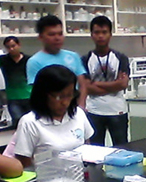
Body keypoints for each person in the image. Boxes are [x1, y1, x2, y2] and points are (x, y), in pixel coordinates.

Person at [11, 66, 94, 167]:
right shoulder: (29, 122)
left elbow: (87, 148)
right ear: (43, 95)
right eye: (59, 97)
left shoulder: (78, 114)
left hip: (77, 176)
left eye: (69, 95)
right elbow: (24, 164)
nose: (65, 102)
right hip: (46, 179)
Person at [82, 16, 130, 146]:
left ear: (110, 34)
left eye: (104, 32)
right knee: (95, 151)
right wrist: (114, 85)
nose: (100, 36)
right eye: (97, 32)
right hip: (94, 111)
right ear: (91, 35)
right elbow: (86, 87)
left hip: (117, 111)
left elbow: (123, 84)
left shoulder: (121, 58)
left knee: (122, 149)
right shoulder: (85, 59)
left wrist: (95, 84)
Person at [26, 15, 88, 108]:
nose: (57, 38)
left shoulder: (73, 56)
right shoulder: (34, 62)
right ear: (41, 37)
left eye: (60, 34)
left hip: (74, 105)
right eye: (51, 34)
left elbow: (82, 84)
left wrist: (81, 106)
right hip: (51, 109)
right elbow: (38, 93)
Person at [0, 36, 32, 127]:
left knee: (33, 123)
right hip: (13, 98)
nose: (11, 49)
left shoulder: (29, 60)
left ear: (19, 45)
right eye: (8, 47)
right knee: (18, 124)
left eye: (13, 46)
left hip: (30, 96)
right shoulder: (3, 60)